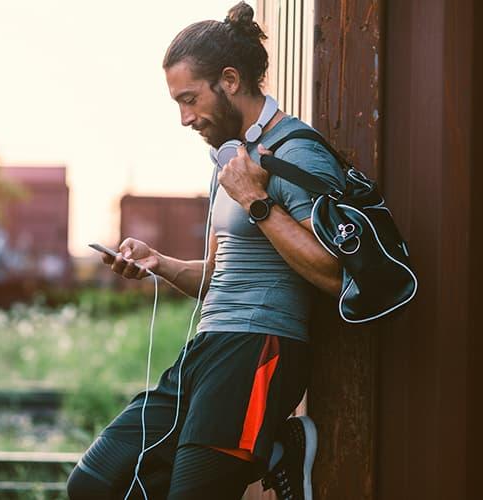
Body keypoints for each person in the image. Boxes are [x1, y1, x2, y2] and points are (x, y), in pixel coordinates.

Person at [66, 3, 345, 500]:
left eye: (190, 99)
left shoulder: (296, 151)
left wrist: (256, 201)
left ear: (231, 80)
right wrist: (160, 264)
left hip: (260, 347)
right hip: (207, 347)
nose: (184, 117)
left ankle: (276, 447)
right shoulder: (229, 160)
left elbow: (333, 274)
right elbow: (218, 273)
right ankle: (275, 448)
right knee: (94, 484)